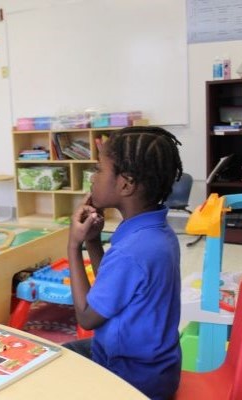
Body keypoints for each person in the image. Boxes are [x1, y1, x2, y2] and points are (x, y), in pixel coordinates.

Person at [65, 126, 183, 399]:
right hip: (157, 369)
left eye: (98, 170)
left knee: (53, 366)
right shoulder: (154, 232)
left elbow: (87, 316)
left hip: (130, 378)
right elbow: (113, 287)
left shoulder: (132, 250)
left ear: (126, 184)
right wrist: (93, 242)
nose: (92, 178)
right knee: (65, 352)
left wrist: (74, 245)